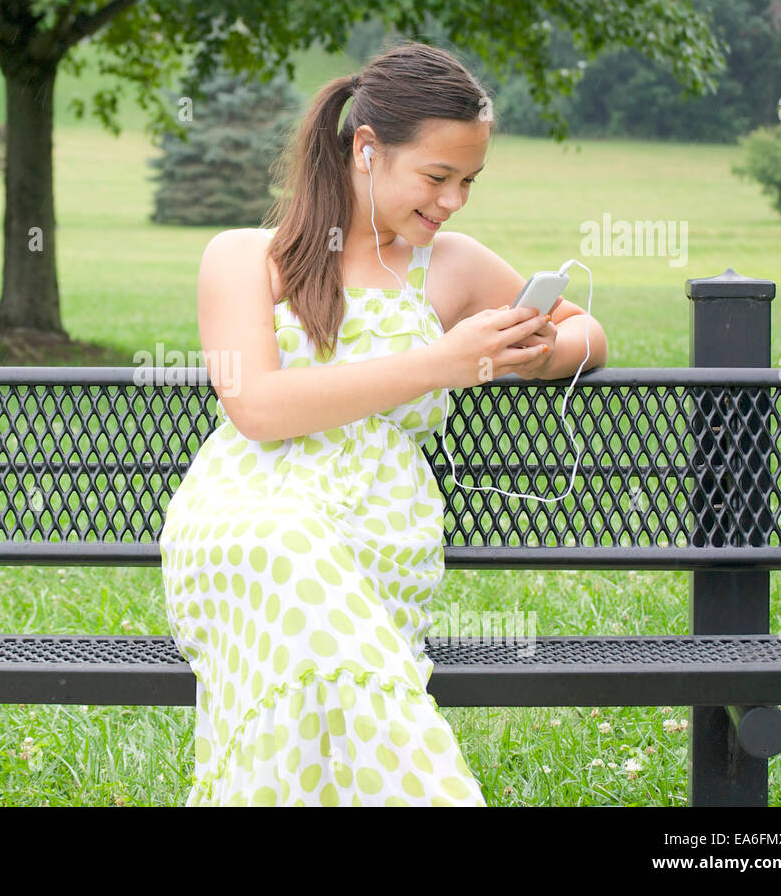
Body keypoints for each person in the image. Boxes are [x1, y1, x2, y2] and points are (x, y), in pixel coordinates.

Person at [160, 40, 604, 806]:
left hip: (377, 527)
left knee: (310, 588)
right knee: (283, 543)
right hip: (242, 520)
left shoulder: (452, 265)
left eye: (469, 180)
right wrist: (441, 363)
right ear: (366, 149)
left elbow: (590, 334)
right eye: (437, 177)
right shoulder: (245, 257)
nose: (455, 199)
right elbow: (258, 409)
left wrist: (537, 354)